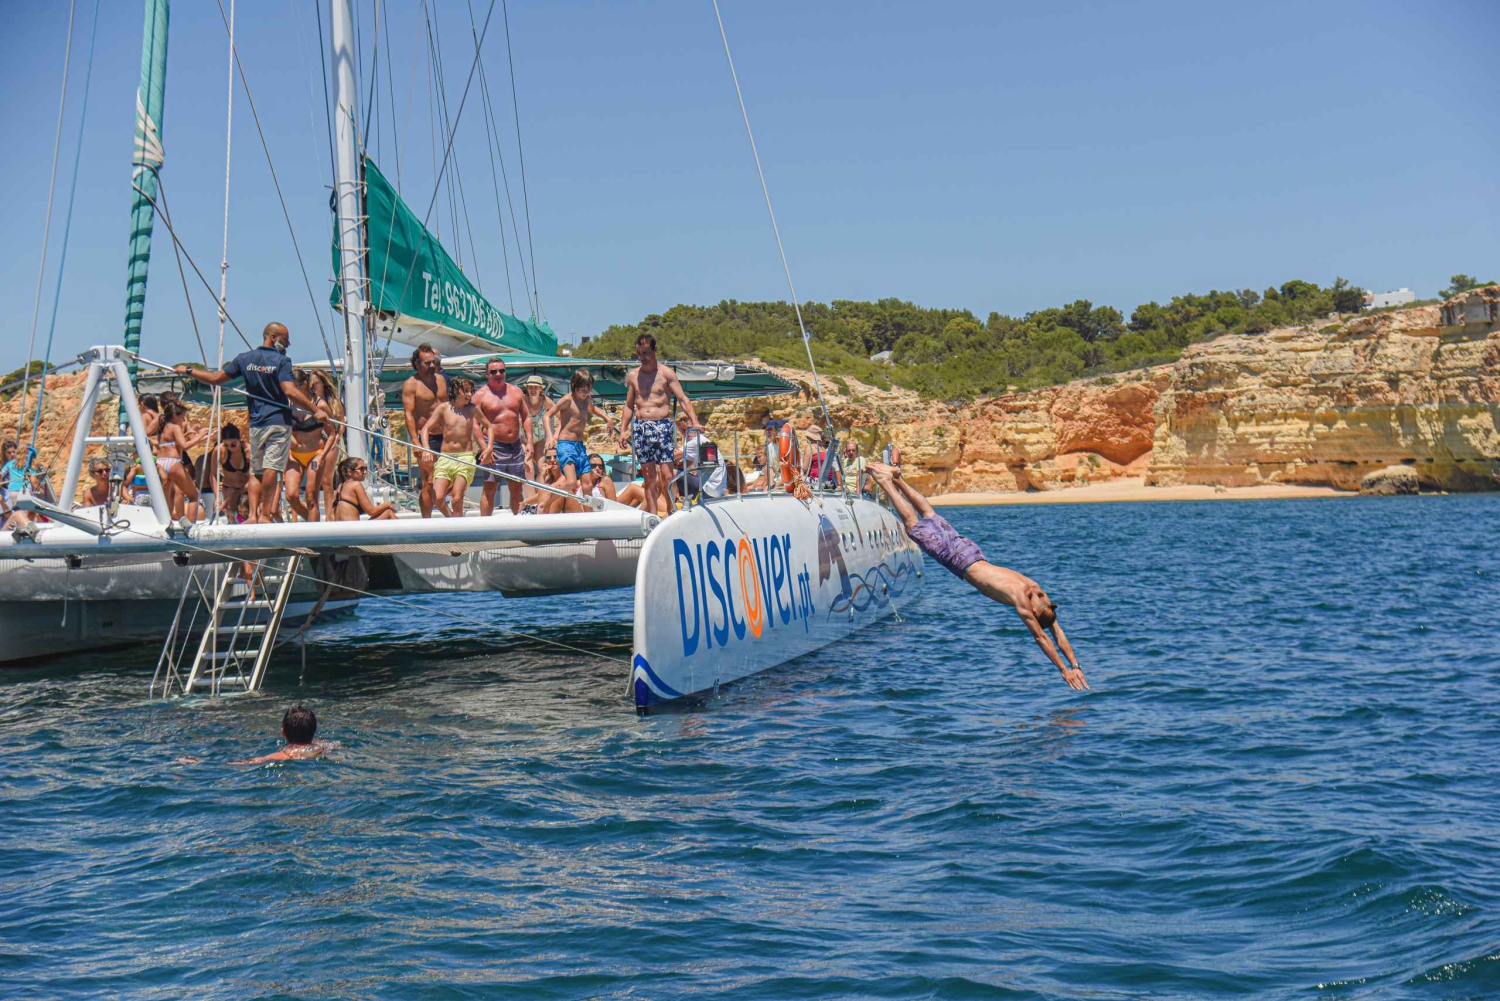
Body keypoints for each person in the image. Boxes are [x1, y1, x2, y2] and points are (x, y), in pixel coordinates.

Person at [867, 462, 1088, 691]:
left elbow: (1055, 629)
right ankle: (886, 483)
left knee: (930, 515)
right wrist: (1063, 669)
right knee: (914, 526)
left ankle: (898, 478)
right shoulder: (1021, 600)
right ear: (1033, 611)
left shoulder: (1038, 590)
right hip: (961, 562)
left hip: (973, 552)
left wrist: (1075, 664)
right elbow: (1042, 637)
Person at [177, 322, 316, 523]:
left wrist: (188, 370)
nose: (288, 343)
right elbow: (289, 390)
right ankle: (265, 515)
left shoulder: (245, 359)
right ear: (273, 337)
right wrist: (315, 409)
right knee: (272, 468)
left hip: (256, 422)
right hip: (277, 420)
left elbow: (216, 379)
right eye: (285, 339)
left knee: (257, 471)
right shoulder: (282, 361)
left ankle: (253, 515)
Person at [618, 334, 703, 521]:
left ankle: (672, 512)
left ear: (655, 350)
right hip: (641, 428)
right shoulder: (633, 376)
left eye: (646, 352)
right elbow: (628, 405)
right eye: (639, 353)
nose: (642, 357)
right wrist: (623, 429)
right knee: (648, 476)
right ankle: (653, 516)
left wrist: (694, 420)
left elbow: (682, 399)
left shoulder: (666, 374)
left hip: (662, 427)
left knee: (666, 474)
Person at [545, 369, 616, 511]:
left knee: (587, 485)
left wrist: (607, 419)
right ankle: (545, 504)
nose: (586, 391)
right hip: (566, 445)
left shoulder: (587, 400)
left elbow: (593, 409)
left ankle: (588, 517)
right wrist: (550, 435)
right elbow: (547, 415)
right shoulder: (567, 400)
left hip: (579, 446)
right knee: (571, 482)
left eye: (588, 388)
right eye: (583, 389)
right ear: (574, 386)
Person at [471, 357, 532, 516]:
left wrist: (530, 442)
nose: (498, 374)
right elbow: (474, 424)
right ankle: (485, 528)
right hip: (494, 448)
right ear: (487, 374)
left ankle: (518, 524)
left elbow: (526, 417)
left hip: (516, 447)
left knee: (517, 489)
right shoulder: (480, 395)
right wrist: (485, 449)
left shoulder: (516, 391)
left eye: (502, 370)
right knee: (490, 489)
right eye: (494, 371)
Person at [421, 377, 484, 518]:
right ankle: (451, 519)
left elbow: (489, 426)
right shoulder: (443, 408)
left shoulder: (472, 409)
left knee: (456, 499)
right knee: (437, 499)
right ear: (456, 391)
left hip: (465, 458)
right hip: (445, 458)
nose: (469, 395)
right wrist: (426, 448)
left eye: (471, 391)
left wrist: (489, 447)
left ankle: (459, 533)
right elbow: (426, 429)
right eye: (466, 391)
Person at [401, 344, 448, 518]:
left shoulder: (441, 380)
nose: (432, 366)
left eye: (433, 362)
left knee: (451, 478)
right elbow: (408, 414)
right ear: (417, 363)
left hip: (446, 437)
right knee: (428, 482)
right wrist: (415, 441)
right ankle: (426, 522)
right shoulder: (411, 384)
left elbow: (448, 408)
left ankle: (450, 518)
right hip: (425, 438)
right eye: (427, 363)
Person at [154, 402, 210, 520]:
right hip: (173, 462)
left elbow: (173, 444)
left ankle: (166, 523)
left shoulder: (163, 428)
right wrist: (200, 435)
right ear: (174, 415)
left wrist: (203, 437)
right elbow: (184, 446)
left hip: (161, 463)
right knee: (194, 496)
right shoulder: (175, 427)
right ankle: (190, 526)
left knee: (168, 497)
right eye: (182, 417)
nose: (183, 420)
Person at [284, 370, 328, 522]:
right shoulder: (287, 405)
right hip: (294, 454)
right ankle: (312, 522)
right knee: (291, 496)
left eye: (294, 387)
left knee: (311, 497)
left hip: (315, 454)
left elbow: (333, 434)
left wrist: (322, 455)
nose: (290, 391)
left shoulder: (319, 404)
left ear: (303, 384)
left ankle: (314, 533)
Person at [235, 705, 330, 764]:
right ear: (314, 730)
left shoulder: (286, 755)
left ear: (283, 732)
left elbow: (259, 760)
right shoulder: (321, 747)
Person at [677, 414, 725, 500]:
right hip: (716, 490)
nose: (686, 433)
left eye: (688, 429)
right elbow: (686, 463)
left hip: (707, 489)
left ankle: (670, 506)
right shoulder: (703, 440)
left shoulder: (696, 441)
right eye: (682, 430)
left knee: (670, 474)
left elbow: (672, 455)